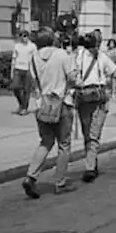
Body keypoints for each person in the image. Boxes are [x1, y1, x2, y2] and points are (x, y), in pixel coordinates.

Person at [22, 28, 78, 198]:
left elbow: (32, 82)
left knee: (45, 141)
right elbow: (72, 78)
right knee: (64, 144)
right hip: (62, 103)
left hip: (42, 104)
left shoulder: (33, 58)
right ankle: (60, 181)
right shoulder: (62, 55)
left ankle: (31, 176)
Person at [72, 31, 116, 183]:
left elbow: (72, 76)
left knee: (90, 133)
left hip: (84, 97)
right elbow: (114, 72)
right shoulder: (100, 56)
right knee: (92, 133)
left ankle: (90, 165)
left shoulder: (77, 56)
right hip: (97, 96)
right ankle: (91, 163)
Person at [10, 31, 37, 115]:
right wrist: (12, 71)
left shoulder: (32, 46)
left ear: (28, 37)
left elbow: (35, 59)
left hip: (28, 69)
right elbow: (13, 59)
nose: (23, 38)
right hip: (18, 68)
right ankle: (21, 104)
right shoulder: (17, 46)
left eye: (25, 36)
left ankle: (24, 108)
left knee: (26, 90)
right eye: (21, 36)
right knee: (15, 87)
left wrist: (34, 73)